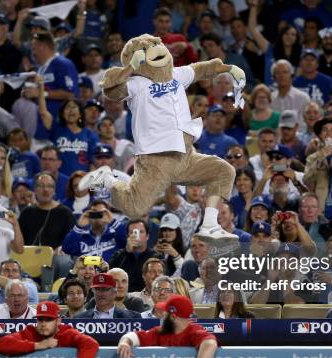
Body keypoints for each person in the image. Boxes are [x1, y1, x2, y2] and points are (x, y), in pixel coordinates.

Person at [85, 34, 242, 242]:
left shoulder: (177, 75)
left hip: (185, 158)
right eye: (147, 47)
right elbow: (109, 89)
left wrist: (226, 68)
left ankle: (210, 224)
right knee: (134, 209)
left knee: (224, 171)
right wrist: (130, 68)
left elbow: (200, 69)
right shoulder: (136, 83)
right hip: (155, 161)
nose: (156, 48)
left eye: (157, 44)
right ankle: (107, 180)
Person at [19, 171, 75, 248]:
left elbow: (71, 241)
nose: (45, 189)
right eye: (41, 186)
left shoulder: (65, 213)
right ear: (35, 190)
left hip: (55, 256)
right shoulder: (26, 213)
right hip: (30, 255)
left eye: (49, 186)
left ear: (54, 190)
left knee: (62, 260)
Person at [33, 32, 79, 118]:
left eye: (34, 49)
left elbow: (70, 94)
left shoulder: (63, 64)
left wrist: (41, 94)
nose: (33, 53)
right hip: (42, 119)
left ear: (43, 47)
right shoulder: (41, 68)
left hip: (58, 119)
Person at [109, 220, 161, 292]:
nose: (137, 236)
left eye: (141, 232)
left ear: (147, 236)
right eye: (132, 232)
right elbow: (111, 274)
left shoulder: (156, 256)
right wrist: (126, 252)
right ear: (127, 236)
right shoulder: (118, 255)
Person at [74, 273, 141, 318]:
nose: (101, 293)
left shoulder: (133, 318)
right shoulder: (79, 319)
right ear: (93, 291)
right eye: (98, 289)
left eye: (105, 289)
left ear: (114, 292)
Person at [270, 60, 310, 127]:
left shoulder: (303, 97)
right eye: (278, 73)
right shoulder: (270, 99)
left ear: (291, 75)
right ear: (274, 78)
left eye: (285, 72)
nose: (281, 76)